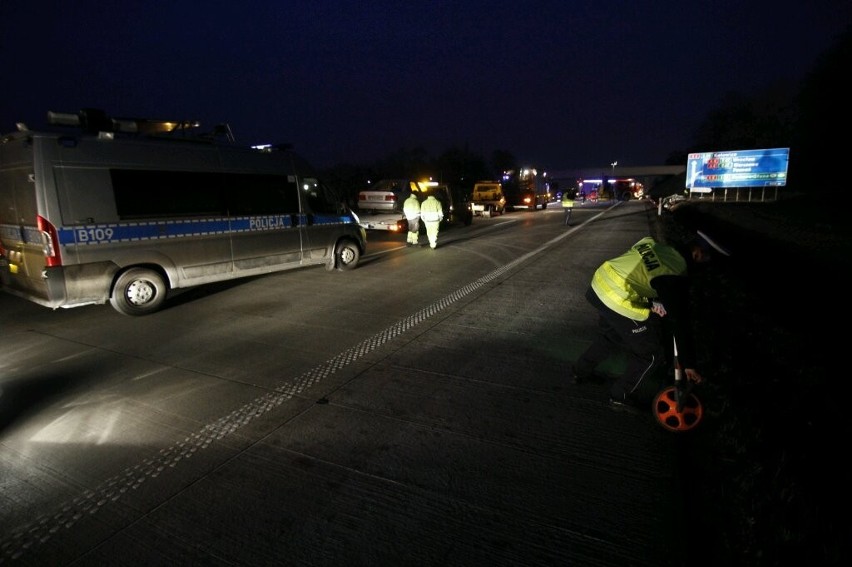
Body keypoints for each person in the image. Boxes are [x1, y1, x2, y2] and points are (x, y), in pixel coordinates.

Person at [570, 230, 731, 411]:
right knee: (650, 355)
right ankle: (620, 396)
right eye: (707, 261)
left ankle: (580, 371)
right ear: (697, 254)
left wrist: (652, 301)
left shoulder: (660, 247)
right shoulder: (673, 273)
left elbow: (640, 270)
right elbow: (679, 321)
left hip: (599, 284)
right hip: (617, 298)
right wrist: (689, 364)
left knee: (611, 336)